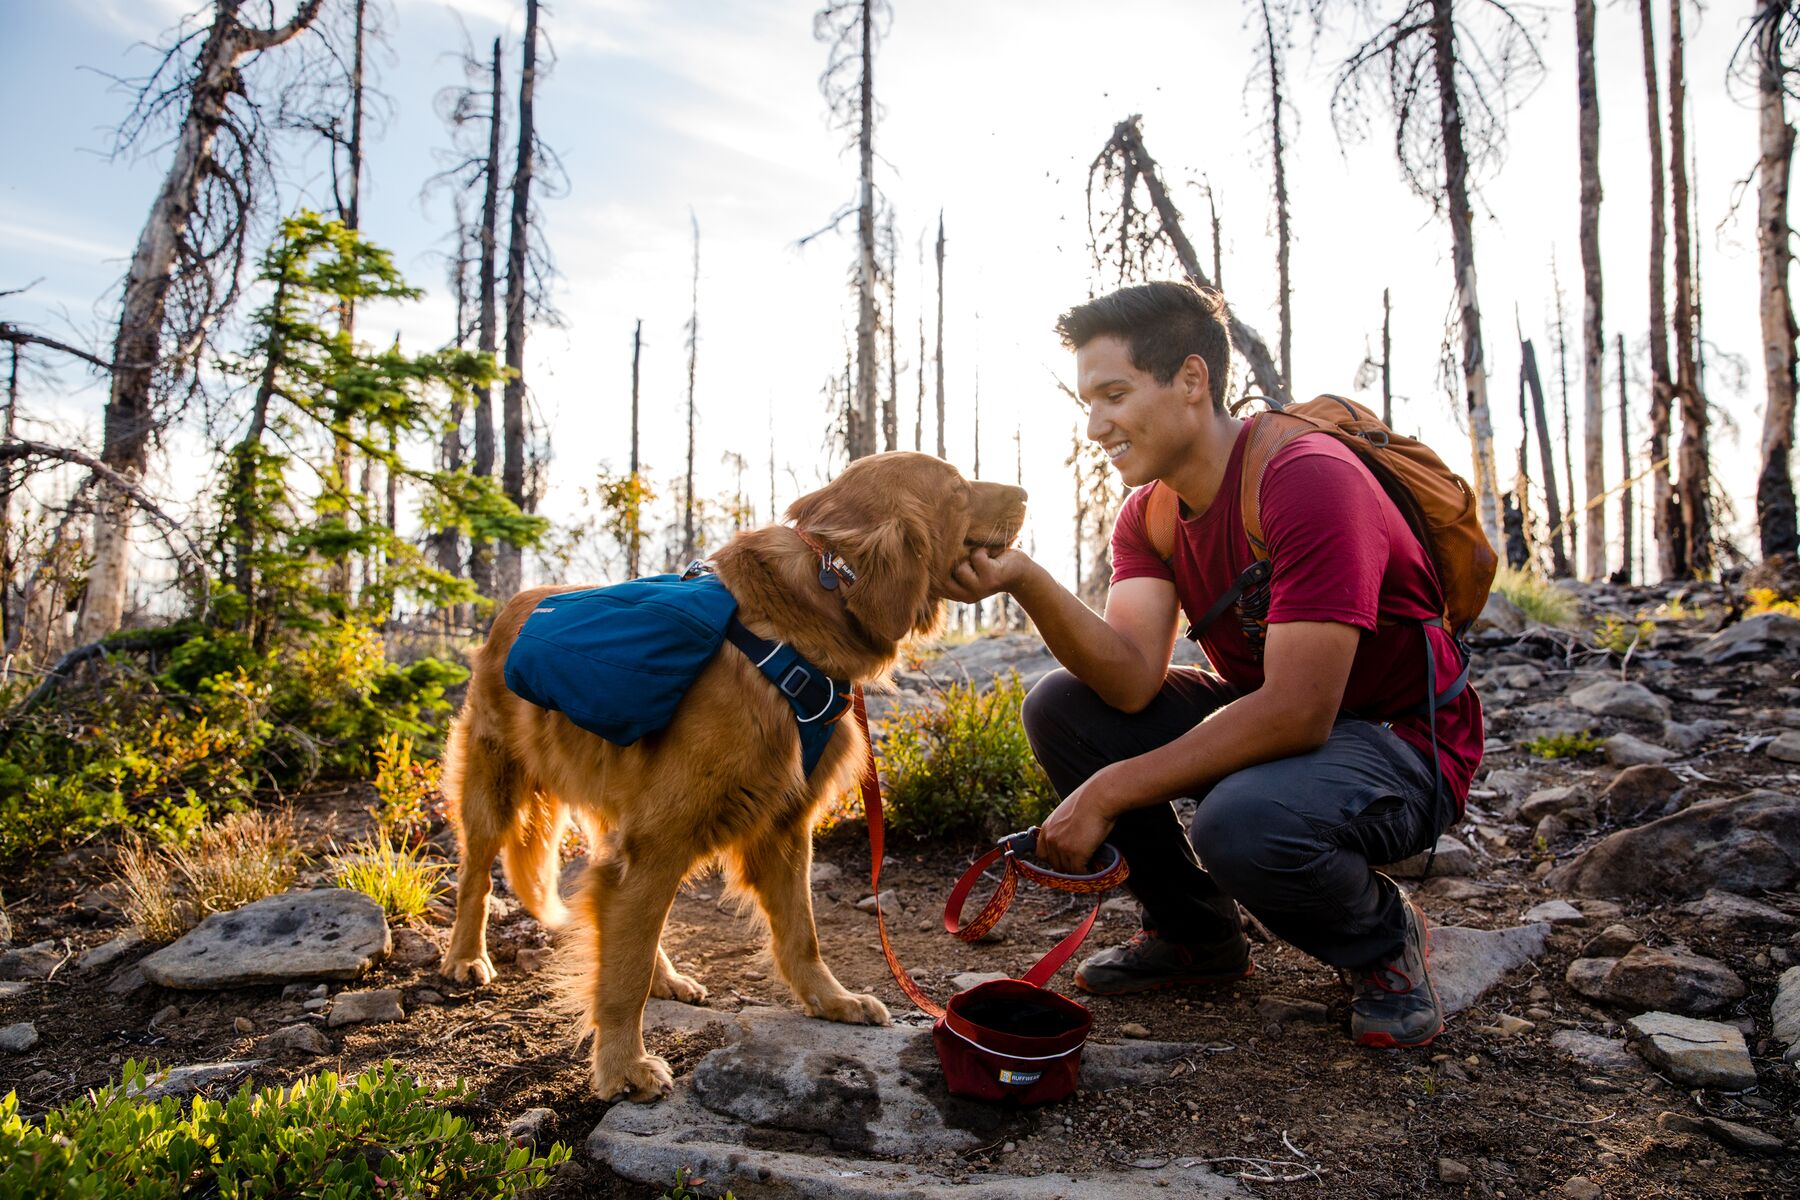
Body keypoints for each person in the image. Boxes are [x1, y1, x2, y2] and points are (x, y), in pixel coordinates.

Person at [944, 281, 1483, 1048]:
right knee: (1064, 707)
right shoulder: (1151, 510)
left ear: (1192, 381)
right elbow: (1130, 678)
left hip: (1403, 745)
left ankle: (1385, 941)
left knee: (1242, 823)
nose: (1095, 425)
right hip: (1289, 725)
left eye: (1114, 394)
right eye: (1087, 401)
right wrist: (1026, 579)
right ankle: (1196, 938)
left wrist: (1109, 790)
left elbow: (1300, 710)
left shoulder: (1308, 479)